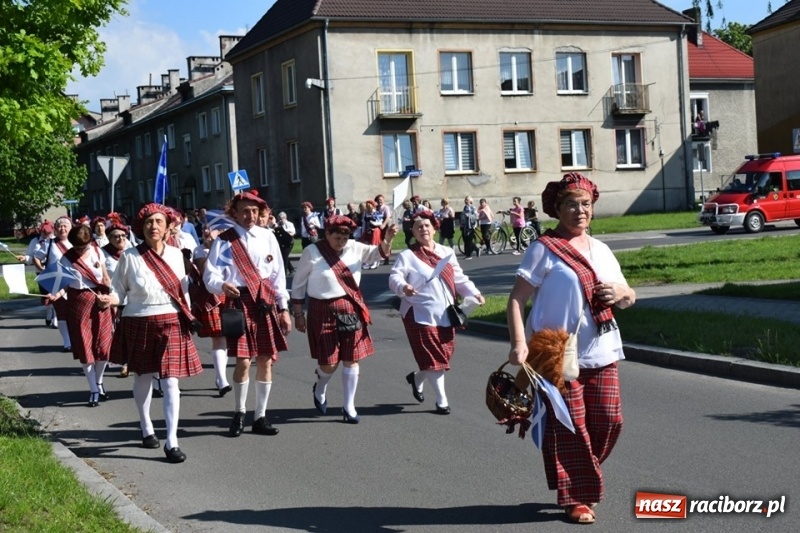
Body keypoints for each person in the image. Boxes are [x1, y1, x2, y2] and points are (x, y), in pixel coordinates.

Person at [505, 173, 635, 525]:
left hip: (603, 348)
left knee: (610, 421)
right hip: (556, 352)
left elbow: (628, 295)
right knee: (570, 427)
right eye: (571, 204)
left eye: (586, 204)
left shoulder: (603, 250)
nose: (580, 211)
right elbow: (516, 299)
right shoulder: (543, 249)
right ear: (557, 209)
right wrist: (519, 343)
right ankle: (577, 497)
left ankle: (578, 474)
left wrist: (622, 294)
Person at [101, 203, 203, 463]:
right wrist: (109, 300)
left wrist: (189, 316)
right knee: (144, 377)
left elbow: (183, 293)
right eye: (148, 222)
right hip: (139, 320)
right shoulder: (130, 256)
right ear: (141, 227)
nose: (153, 226)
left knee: (170, 381)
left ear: (169, 227)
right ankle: (146, 426)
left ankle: (172, 441)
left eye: (158, 222)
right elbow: (118, 291)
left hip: (171, 320)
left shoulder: (177, 255)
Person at [290, 215, 396, 424]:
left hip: (350, 307)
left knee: (351, 358)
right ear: (327, 234)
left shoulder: (355, 248)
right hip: (322, 308)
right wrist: (299, 313)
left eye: (345, 237)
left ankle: (349, 407)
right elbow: (298, 284)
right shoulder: (312, 252)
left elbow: (378, 254)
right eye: (337, 237)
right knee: (329, 363)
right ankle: (320, 386)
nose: (341, 242)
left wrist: (389, 237)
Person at [204, 191, 292, 438]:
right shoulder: (224, 240)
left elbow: (278, 276)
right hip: (239, 302)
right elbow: (210, 275)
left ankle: (260, 416)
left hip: (264, 302)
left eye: (254, 211)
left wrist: (283, 308)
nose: (250, 215)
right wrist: (221, 286)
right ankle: (239, 412)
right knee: (243, 361)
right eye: (244, 210)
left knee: (265, 359)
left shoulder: (268, 236)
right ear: (234, 213)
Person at [388, 211, 484, 415]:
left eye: (427, 225)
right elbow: (394, 277)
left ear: (434, 228)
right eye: (418, 226)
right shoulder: (408, 255)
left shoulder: (445, 251)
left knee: (442, 355)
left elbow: (459, 278)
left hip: (446, 313)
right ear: (412, 232)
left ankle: (417, 378)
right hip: (419, 313)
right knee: (434, 357)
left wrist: (474, 293)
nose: (423, 229)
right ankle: (442, 401)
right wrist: (403, 287)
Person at [57, 225, 113, 407]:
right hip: (78, 302)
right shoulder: (67, 258)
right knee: (85, 345)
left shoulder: (97, 251)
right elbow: (62, 284)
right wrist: (55, 295)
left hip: (100, 301)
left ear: (90, 242)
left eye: (83, 247)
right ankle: (94, 389)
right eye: (77, 247)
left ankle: (99, 381)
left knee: (103, 345)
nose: (80, 251)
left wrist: (111, 298)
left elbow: (105, 278)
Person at [190, 225, 232, 397]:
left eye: (213, 229)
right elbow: (204, 271)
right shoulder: (199, 250)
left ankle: (219, 376)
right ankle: (222, 380)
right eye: (206, 229)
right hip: (210, 297)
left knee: (227, 338)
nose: (207, 232)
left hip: (229, 295)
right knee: (219, 338)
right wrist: (213, 247)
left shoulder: (229, 246)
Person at [35, 216, 73, 350]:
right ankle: (67, 342)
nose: (63, 229)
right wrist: (43, 271)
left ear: (70, 228)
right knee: (62, 313)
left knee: (75, 314)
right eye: (60, 226)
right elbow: (37, 258)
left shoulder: (76, 242)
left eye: (65, 226)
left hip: (75, 282)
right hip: (58, 282)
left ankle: (76, 340)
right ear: (55, 229)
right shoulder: (49, 243)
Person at [101, 219, 132, 378]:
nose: (120, 239)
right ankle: (124, 362)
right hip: (115, 298)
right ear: (109, 238)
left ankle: (131, 362)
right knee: (119, 332)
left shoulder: (132, 251)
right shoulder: (103, 253)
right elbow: (102, 278)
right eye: (115, 236)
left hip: (133, 297)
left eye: (123, 236)